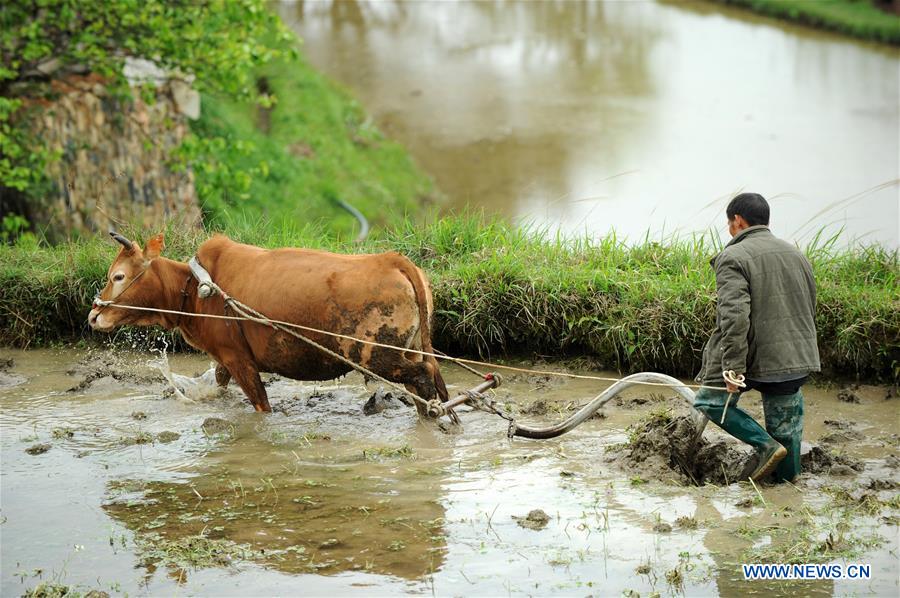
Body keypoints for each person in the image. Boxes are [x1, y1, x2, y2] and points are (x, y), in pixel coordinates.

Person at [693, 193, 820, 482]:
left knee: (711, 403)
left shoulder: (733, 257)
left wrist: (733, 368)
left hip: (756, 354)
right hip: (795, 356)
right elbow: (810, 304)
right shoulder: (796, 254)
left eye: (729, 223)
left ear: (737, 221)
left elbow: (734, 317)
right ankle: (787, 492)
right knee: (786, 430)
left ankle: (764, 446)